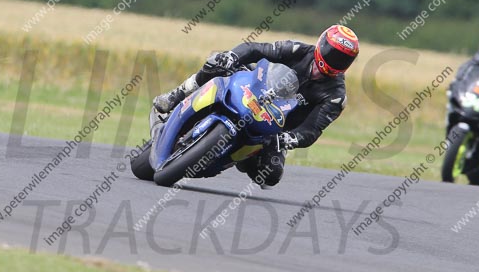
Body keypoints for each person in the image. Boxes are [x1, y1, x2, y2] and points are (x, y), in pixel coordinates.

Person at [152, 25, 360, 188]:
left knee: (270, 176)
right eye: (332, 52)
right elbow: (255, 49)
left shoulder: (335, 96)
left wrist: (288, 138)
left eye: (343, 58)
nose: (335, 60)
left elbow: (312, 130)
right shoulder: (297, 50)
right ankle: (177, 95)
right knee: (216, 62)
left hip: (275, 128)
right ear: (322, 43)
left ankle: (239, 157)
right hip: (252, 90)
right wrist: (232, 56)